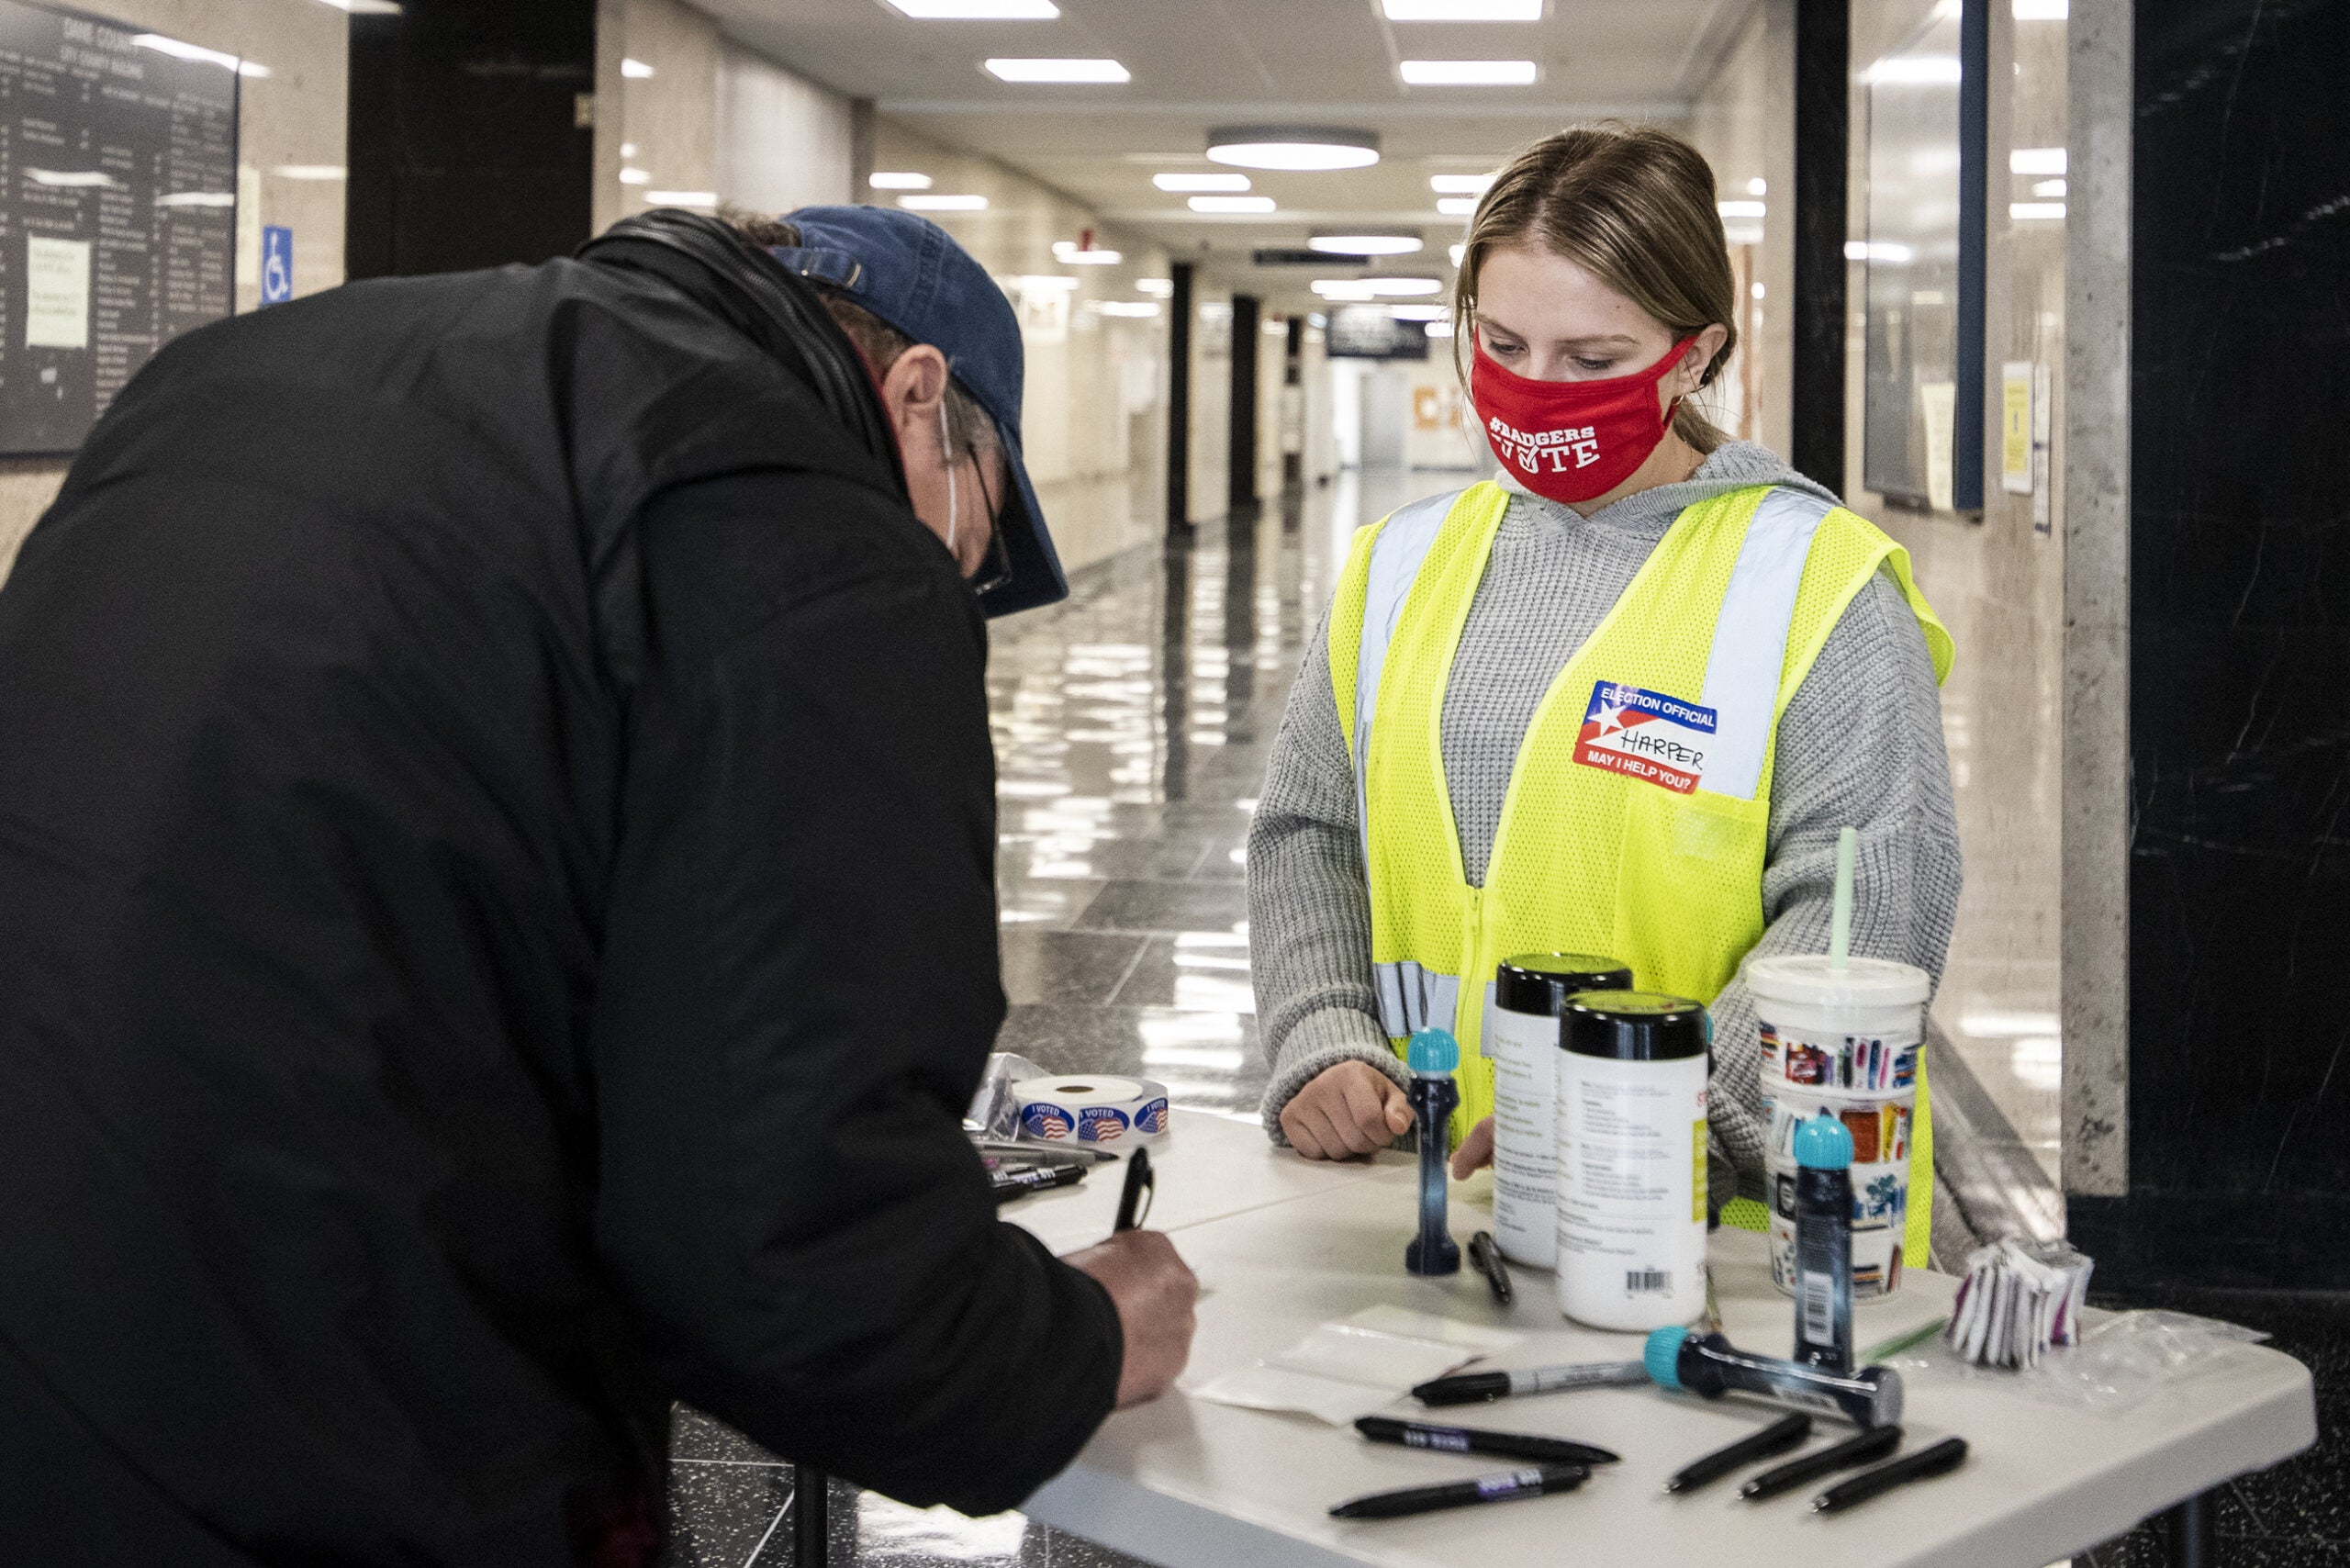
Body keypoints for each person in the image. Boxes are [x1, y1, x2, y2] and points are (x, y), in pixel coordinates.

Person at [0, 203, 1196, 1566]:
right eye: (968, 550)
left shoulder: (236, 375)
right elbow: (810, 1281)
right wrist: (1081, 1335)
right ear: (918, 399)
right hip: (332, 1454)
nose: (946, 589)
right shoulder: (799, 525)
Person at [1248, 124, 1962, 1259]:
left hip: (1722, 1231)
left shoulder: (1812, 579)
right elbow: (1309, 834)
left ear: (1695, 352)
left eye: (1592, 358)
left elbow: (1862, 914)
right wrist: (1324, 1032)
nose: (1536, 392)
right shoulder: (1397, 564)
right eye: (1503, 343)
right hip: (1421, 1198)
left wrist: (1659, 1113)